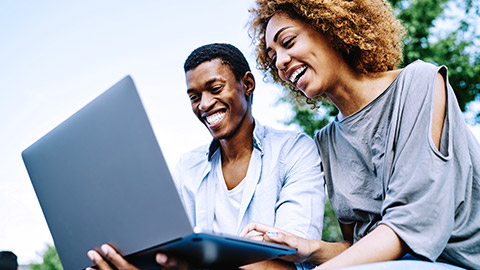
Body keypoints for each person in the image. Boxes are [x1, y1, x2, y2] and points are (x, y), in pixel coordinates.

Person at [241, 0, 480, 269]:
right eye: (273, 58)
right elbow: (361, 247)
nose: (281, 63)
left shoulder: (420, 83)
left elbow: (409, 227)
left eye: (288, 42)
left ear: (328, 27)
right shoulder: (327, 141)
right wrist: (307, 248)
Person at [87, 43, 325, 270]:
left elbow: (295, 260)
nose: (204, 104)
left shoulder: (293, 150)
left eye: (215, 89)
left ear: (247, 84)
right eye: (194, 97)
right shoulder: (187, 167)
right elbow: (171, 254)